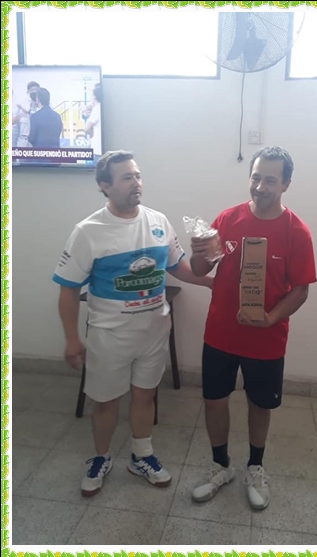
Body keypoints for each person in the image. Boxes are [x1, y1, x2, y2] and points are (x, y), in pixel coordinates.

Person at [52, 150, 213, 497]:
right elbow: (68, 289)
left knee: (145, 396)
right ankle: (100, 458)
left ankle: (142, 456)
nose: (136, 183)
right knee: (105, 402)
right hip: (109, 335)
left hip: (154, 332)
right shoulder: (88, 232)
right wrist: (71, 338)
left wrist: (212, 283)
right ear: (105, 185)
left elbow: (178, 268)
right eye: (126, 177)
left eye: (137, 175)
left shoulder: (158, 221)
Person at [189, 146, 317, 510]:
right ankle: (220, 465)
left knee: (260, 405)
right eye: (256, 178)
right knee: (214, 401)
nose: (260, 187)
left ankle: (255, 468)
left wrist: (272, 317)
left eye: (270, 180)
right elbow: (200, 270)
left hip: (267, 339)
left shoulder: (297, 232)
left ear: (286, 184)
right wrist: (198, 252)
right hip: (220, 334)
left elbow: (301, 289)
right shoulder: (227, 219)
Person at [17, 81, 40, 148]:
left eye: (36, 90)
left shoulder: (44, 106)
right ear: (27, 92)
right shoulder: (20, 108)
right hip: (24, 145)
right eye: (32, 90)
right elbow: (15, 131)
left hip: (38, 146)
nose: (34, 92)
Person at [84, 83, 102, 164]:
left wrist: (91, 134)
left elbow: (86, 128)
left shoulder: (97, 108)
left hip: (97, 150)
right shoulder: (102, 107)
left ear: (94, 96)